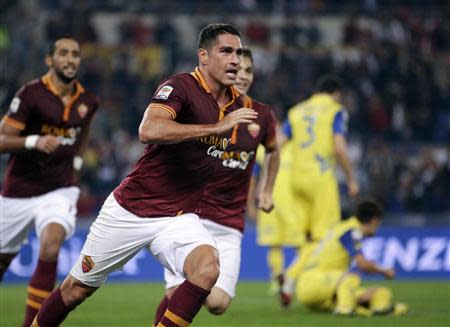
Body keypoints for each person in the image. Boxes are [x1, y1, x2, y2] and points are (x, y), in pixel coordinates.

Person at [31, 23, 258, 327]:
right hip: (132, 209)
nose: (235, 60)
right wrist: (215, 128)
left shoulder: (233, 103)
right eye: (226, 51)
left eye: (238, 53)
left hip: (178, 216)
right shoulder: (181, 86)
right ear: (203, 56)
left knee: (207, 269)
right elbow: (148, 129)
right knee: (75, 291)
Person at [151, 47, 280, 326]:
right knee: (177, 293)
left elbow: (273, 151)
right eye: (238, 69)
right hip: (189, 215)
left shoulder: (263, 115)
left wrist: (266, 190)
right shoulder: (202, 107)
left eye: (249, 71)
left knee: (218, 303)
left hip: (229, 222)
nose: (243, 75)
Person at [0, 37, 99, 327]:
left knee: (51, 246)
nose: (70, 59)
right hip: (18, 191)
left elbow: (83, 135)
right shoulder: (30, 95)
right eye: (64, 53)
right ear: (49, 60)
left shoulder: (88, 101)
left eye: (75, 54)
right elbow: (2, 140)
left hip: (59, 189)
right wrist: (33, 141)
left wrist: (76, 166)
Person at [277, 75, 360, 306]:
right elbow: (339, 147)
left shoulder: (296, 111)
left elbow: (278, 143)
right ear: (336, 93)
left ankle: (292, 275)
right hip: (321, 179)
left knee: (308, 239)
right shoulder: (335, 110)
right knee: (325, 237)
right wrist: (351, 178)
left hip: (296, 180)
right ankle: (293, 278)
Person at [286, 199, 408, 316]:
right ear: (374, 220)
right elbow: (362, 264)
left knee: (380, 293)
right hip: (316, 283)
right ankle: (345, 309)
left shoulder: (341, 227)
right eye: (378, 223)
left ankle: (380, 309)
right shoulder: (352, 231)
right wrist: (384, 271)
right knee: (352, 276)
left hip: (316, 286)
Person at [251, 139, 302, 295]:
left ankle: (289, 279)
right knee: (275, 244)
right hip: (270, 202)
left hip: (291, 204)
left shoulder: (296, 147)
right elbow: (253, 177)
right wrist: (251, 205)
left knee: (300, 245)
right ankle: (279, 281)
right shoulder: (262, 149)